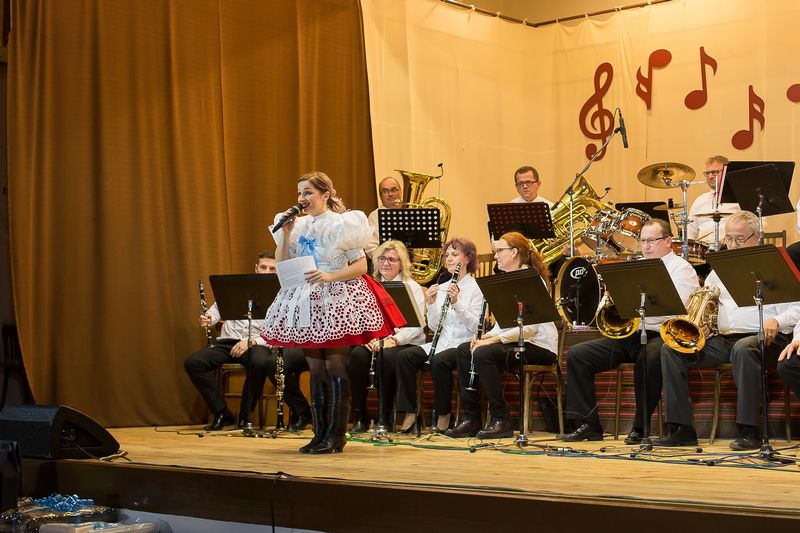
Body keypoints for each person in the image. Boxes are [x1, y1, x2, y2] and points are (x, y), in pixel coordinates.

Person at [261, 171, 401, 454]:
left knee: (334, 366)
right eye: (300, 192)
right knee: (315, 369)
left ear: (325, 195)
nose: (302, 198)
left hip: (336, 297)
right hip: (307, 300)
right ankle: (320, 433)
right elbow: (282, 262)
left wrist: (330, 276)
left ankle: (337, 435)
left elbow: (360, 266)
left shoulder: (342, 223)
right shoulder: (298, 225)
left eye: (308, 192)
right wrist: (286, 235)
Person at [656, 211, 800, 449]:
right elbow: (709, 302)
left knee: (743, 349)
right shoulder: (718, 271)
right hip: (724, 340)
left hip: (768, 338)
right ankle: (681, 428)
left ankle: (749, 430)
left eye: (739, 239)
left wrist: (778, 320)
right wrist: (706, 325)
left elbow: (797, 307)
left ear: (757, 237)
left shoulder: (776, 265)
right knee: (671, 350)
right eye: (729, 239)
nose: (732, 245)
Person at [562, 219, 699, 442]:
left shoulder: (681, 269)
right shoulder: (635, 266)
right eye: (643, 241)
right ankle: (588, 424)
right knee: (578, 355)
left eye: (651, 241)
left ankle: (640, 427)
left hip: (662, 334)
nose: (646, 246)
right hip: (630, 333)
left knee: (649, 357)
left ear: (668, 241)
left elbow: (680, 308)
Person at [184, 251, 311, 431]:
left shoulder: (283, 294)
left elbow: (280, 331)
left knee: (259, 362)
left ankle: (246, 416)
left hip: (257, 343)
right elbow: (218, 308)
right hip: (227, 341)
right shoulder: (239, 286)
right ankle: (222, 413)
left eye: (272, 269)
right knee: (193, 363)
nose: (267, 272)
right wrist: (209, 318)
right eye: (263, 267)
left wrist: (252, 341)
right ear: (256, 268)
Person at [447, 232, 558, 438]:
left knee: (483, 354)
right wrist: (483, 337)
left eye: (499, 251)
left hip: (539, 347)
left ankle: (501, 419)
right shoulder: (506, 281)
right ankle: (471, 418)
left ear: (514, 253)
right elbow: (503, 325)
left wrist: (491, 340)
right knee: (464, 350)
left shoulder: (531, 280)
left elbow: (529, 329)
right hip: (516, 342)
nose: (495, 256)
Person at [395, 238, 483, 433]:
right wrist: (432, 303)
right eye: (447, 255)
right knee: (405, 357)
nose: (449, 259)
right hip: (441, 342)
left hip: (463, 344)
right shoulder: (442, 286)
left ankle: (443, 414)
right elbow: (435, 326)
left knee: (439, 360)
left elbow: (476, 326)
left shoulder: (476, 288)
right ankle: (410, 412)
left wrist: (457, 303)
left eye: (454, 254)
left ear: (467, 258)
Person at [348, 240, 426, 432]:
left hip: (405, 342)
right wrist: (369, 337)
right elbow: (362, 318)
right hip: (377, 340)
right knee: (357, 355)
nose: (385, 263)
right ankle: (360, 415)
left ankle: (385, 416)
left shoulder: (412, 287)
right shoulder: (370, 286)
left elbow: (417, 326)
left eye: (392, 259)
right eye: (382, 258)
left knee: (386, 357)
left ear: (402, 263)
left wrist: (394, 340)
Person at [686, 155, 740, 246]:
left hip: (732, 247)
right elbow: (690, 233)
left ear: (726, 172)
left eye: (715, 172)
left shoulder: (739, 197)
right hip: (704, 250)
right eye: (707, 173)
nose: (710, 176)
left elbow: (757, 224)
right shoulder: (700, 200)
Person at [366, 176, 403, 257]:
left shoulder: (411, 211)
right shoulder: (375, 216)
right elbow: (371, 248)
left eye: (394, 190)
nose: (390, 194)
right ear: (380, 196)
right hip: (388, 261)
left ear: (400, 192)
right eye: (385, 191)